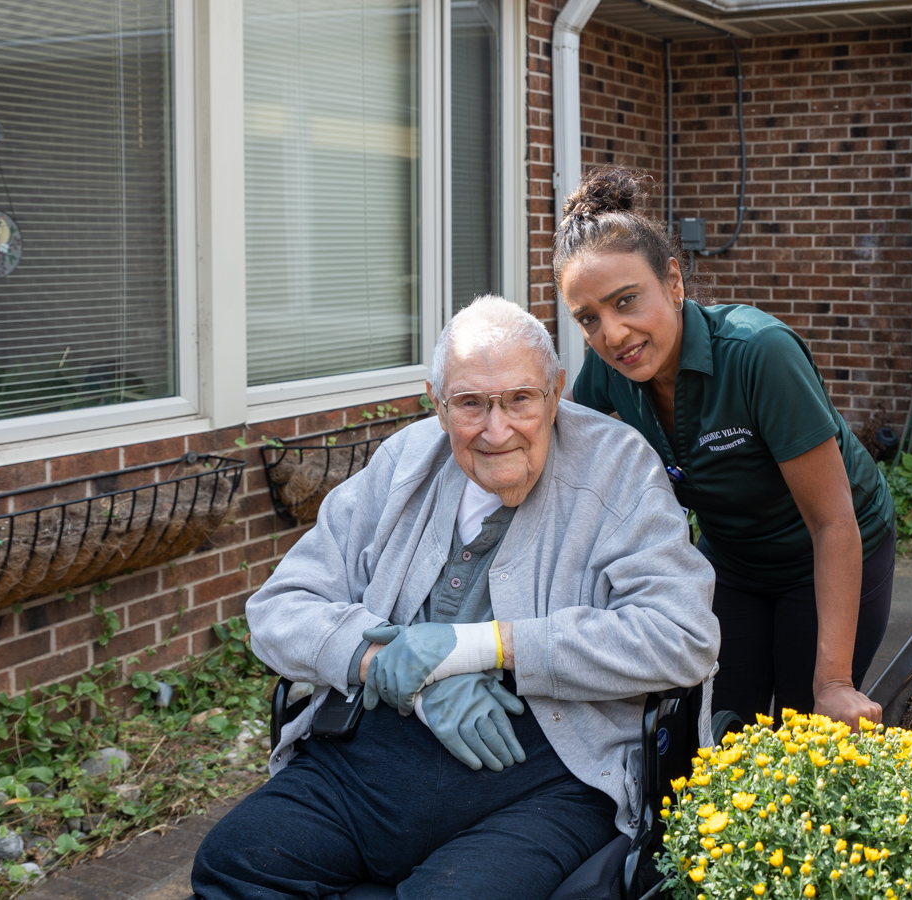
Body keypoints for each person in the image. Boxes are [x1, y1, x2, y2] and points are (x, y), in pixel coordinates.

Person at [191, 296, 719, 899]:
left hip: (549, 772)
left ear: (556, 392)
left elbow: (682, 637)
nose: (496, 431)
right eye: (470, 403)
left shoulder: (619, 468)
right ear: (437, 404)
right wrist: (402, 672)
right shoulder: (405, 463)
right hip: (373, 754)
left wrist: (478, 646)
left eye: (520, 399)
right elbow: (278, 607)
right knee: (233, 862)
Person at [555, 168, 895, 731]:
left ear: (674, 281)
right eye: (589, 318)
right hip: (733, 561)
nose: (612, 333)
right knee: (715, 722)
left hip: (824, 553)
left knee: (801, 727)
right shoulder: (609, 371)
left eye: (626, 301)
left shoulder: (759, 355)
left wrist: (834, 683)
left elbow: (834, 523)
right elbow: (568, 450)